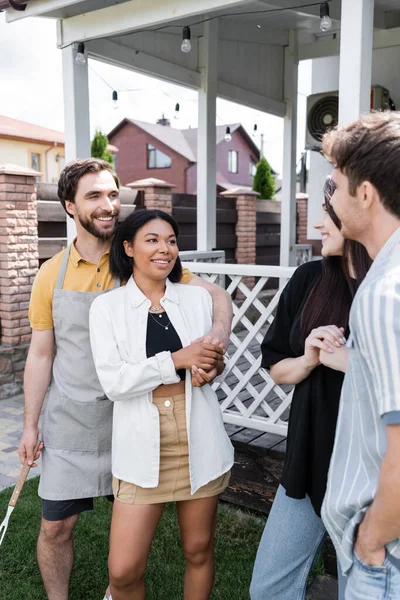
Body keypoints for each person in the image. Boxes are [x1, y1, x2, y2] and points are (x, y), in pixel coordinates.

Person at [18, 158, 233, 600]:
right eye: (94, 196)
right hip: (74, 421)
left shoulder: (142, 252)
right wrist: (30, 425)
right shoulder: (49, 273)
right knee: (56, 526)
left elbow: (214, 297)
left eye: (113, 194)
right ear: (69, 206)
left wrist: (215, 344)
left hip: (135, 421)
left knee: (132, 551)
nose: (108, 205)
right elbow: (41, 354)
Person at [89, 209, 234, 600]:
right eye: (152, 240)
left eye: (170, 240)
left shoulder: (195, 299)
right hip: (142, 441)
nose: (164, 248)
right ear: (128, 247)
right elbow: (115, 382)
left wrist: (209, 366)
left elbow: (208, 361)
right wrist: (176, 361)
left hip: (197, 433)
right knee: (122, 571)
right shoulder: (107, 308)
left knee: (199, 550)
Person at [250, 177, 371, 600]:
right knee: (269, 588)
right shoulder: (309, 279)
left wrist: (350, 363)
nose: (318, 223)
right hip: (308, 462)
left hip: (371, 474)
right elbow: (276, 368)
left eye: (328, 211)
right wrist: (309, 358)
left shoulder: (388, 290)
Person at [321, 111, 400, 599]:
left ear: (365, 193)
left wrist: (371, 542)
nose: (330, 197)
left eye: (334, 184)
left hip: (385, 557)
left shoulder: (383, 294)